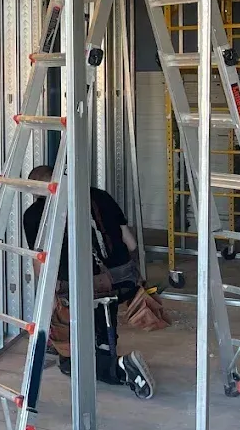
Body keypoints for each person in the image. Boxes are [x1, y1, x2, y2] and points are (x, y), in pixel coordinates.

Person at [22, 165, 156, 399]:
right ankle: (105, 344)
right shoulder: (101, 196)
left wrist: (48, 296)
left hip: (80, 287)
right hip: (123, 281)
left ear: (36, 190)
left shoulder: (34, 214)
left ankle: (120, 368)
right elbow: (131, 243)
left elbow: (41, 261)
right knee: (105, 297)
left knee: (69, 362)